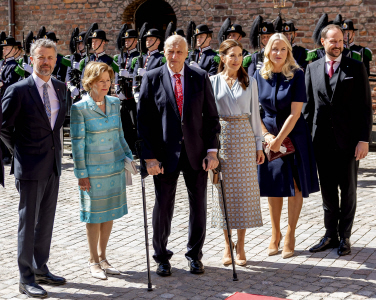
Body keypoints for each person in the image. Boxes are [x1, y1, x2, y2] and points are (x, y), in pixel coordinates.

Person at [137, 35, 221, 276]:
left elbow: (211, 117)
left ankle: (195, 255)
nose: (174, 57)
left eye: (179, 52)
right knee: (163, 206)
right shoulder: (152, 78)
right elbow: (144, 121)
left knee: (199, 207)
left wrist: (212, 151)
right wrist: (149, 157)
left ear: (187, 53)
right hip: (163, 156)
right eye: (170, 52)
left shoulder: (199, 77)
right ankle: (161, 257)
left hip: (196, 153)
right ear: (164, 52)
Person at [1, 38, 66, 298]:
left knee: (46, 221)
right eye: (41, 57)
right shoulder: (18, 90)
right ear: (31, 59)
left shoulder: (61, 88)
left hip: (53, 166)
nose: (46, 62)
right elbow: (4, 127)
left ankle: (40, 268)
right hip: (29, 167)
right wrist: (20, 151)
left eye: (50, 57)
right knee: (28, 223)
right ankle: (25, 278)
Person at [304, 24, 373, 256]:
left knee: (349, 190)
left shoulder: (356, 66)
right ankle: (329, 234)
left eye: (340, 41)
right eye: (332, 41)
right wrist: (305, 141)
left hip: (350, 142)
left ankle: (345, 237)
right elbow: (308, 108)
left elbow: (365, 107)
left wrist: (364, 140)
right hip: (321, 142)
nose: (337, 45)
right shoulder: (311, 68)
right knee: (328, 192)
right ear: (322, 42)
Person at [254, 33, 320, 259]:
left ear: (288, 52)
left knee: (295, 184)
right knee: (274, 185)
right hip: (269, 136)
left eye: (283, 49)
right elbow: (256, 111)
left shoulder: (297, 74)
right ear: (267, 51)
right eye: (274, 49)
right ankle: (275, 233)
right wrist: (266, 136)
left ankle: (291, 233)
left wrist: (278, 140)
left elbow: (295, 113)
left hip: (294, 135)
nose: (278, 53)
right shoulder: (258, 74)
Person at [70, 62, 133, 280]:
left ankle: (104, 257)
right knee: (94, 217)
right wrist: (81, 174)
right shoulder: (79, 108)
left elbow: (120, 135)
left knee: (109, 213)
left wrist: (130, 158)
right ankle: (92, 260)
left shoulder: (115, 103)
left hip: (114, 168)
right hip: (92, 172)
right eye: (101, 81)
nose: (106, 85)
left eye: (108, 80)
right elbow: (77, 144)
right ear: (90, 82)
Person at [209, 39, 264, 266]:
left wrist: (259, 146)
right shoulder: (211, 82)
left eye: (240, 55)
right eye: (232, 55)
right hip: (221, 138)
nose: (236, 59)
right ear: (222, 57)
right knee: (223, 194)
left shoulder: (249, 81)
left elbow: (255, 116)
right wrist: (210, 149)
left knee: (243, 194)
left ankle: (240, 246)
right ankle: (226, 245)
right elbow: (208, 117)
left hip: (244, 139)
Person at [114, 28, 140, 154]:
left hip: (132, 93)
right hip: (123, 94)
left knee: (134, 121)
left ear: (135, 41)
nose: (126, 42)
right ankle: (127, 145)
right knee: (125, 123)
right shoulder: (121, 57)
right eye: (125, 40)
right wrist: (117, 88)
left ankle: (135, 147)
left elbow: (137, 74)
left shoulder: (138, 56)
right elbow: (116, 75)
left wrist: (128, 75)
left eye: (129, 40)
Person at [0, 35, 24, 166]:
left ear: (14, 50)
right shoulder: (3, 64)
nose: (4, 50)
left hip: (8, 100)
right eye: (3, 48)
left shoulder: (14, 65)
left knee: (6, 126)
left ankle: (9, 154)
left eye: (7, 48)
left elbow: (10, 84)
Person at [132, 28, 165, 98]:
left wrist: (147, 73)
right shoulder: (141, 57)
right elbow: (135, 74)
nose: (148, 42)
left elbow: (161, 76)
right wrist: (135, 90)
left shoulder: (161, 58)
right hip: (140, 93)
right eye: (147, 40)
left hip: (153, 94)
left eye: (151, 40)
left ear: (158, 42)